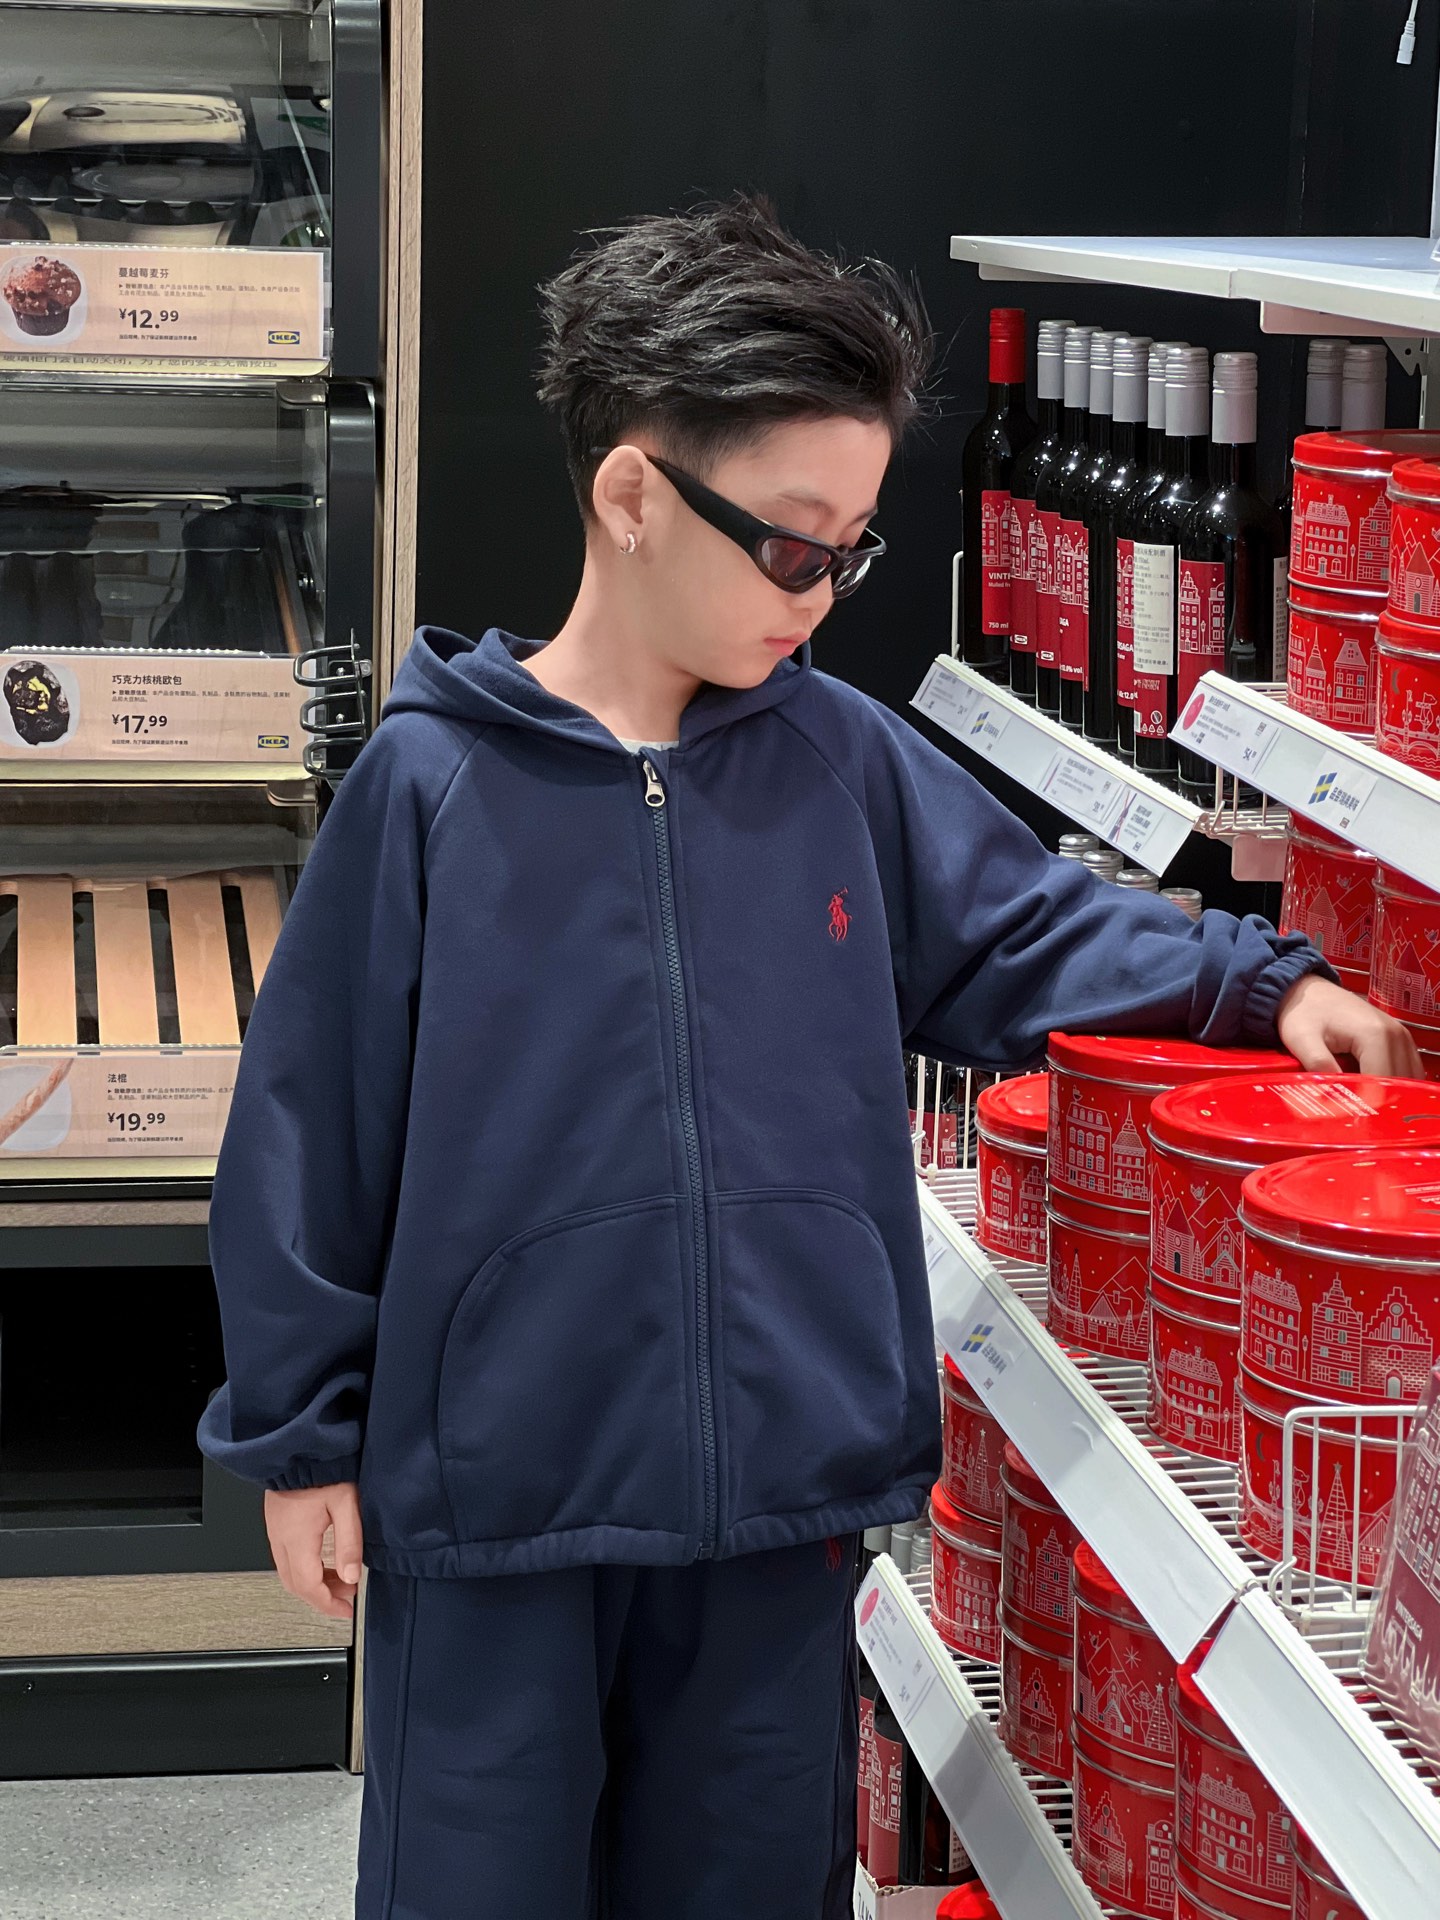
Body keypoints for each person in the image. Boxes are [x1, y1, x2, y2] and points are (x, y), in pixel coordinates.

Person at [195, 193, 1419, 1919]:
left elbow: (1024, 929)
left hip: (780, 1503)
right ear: (633, 497)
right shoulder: (431, 789)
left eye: (854, 547)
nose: (826, 594)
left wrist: (1252, 982)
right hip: (497, 1509)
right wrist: (303, 1439)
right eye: (791, 546)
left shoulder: (842, 763)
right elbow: (309, 1129)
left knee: (753, 1883)